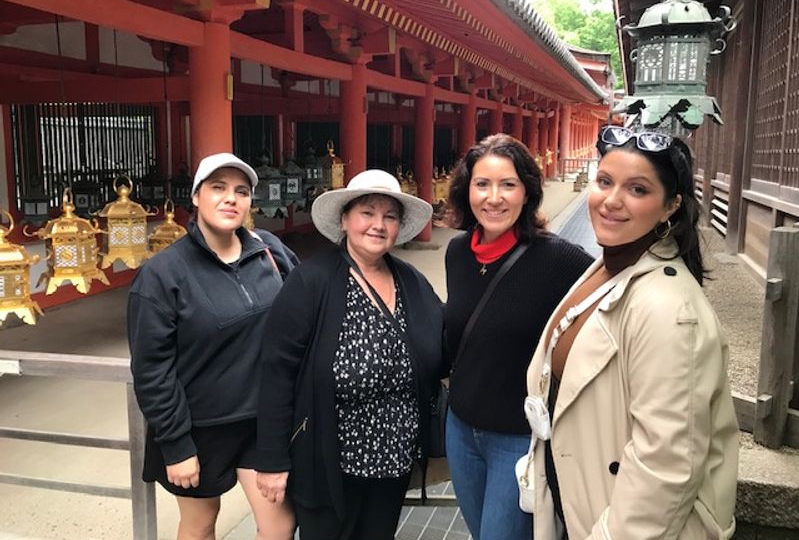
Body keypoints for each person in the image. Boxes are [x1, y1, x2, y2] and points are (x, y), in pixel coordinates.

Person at [525, 126, 739, 539]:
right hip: (583, 499)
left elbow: (666, 462)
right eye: (605, 182)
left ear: (670, 206)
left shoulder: (668, 309)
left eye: (637, 190)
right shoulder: (611, 267)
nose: (612, 201)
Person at [255, 169, 445, 540]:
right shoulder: (312, 281)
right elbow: (277, 373)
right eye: (367, 213)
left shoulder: (411, 281)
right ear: (345, 220)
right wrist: (272, 459)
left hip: (393, 459)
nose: (378, 225)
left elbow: (444, 342)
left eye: (390, 216)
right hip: (328, 461)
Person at [128, 153, 298, 540]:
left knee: (280, 524)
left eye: (241, 191)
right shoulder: (163, 274)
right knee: (200, 525)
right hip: (199, 427)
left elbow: (304, 312)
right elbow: (152, 369)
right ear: (197, 197)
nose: (230, 199)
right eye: (218, 188)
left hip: (264, 421)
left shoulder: (269, 251)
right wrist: (176, 444)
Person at [444, 134, 593, 540]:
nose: (494, 198)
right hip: (460, 431)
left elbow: (613, 300)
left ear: (527, 191)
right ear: (466, 190)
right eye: (482, 184)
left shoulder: (558, 259)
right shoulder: (457, 253)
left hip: (517, 440)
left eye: (508, 184)